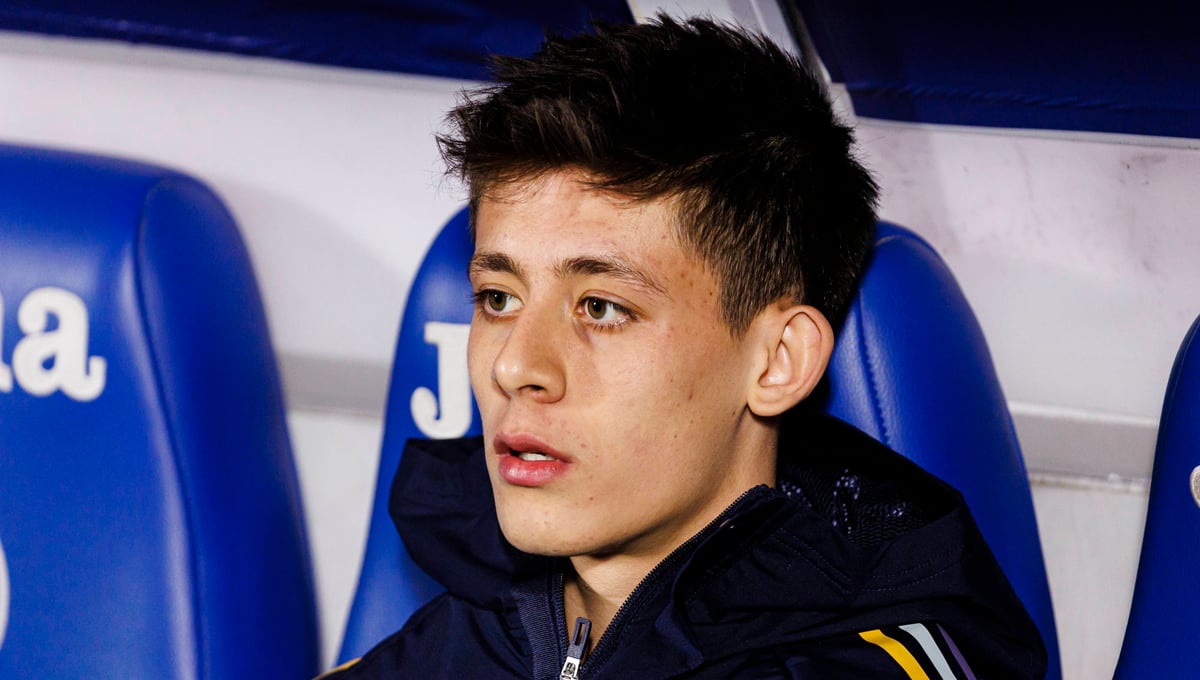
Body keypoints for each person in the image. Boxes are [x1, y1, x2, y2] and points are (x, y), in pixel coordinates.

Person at [324, 15, 1046, 679]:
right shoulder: (478, 615)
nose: (515, 365)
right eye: (498, 299)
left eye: (602, 308)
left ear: (778, 360)